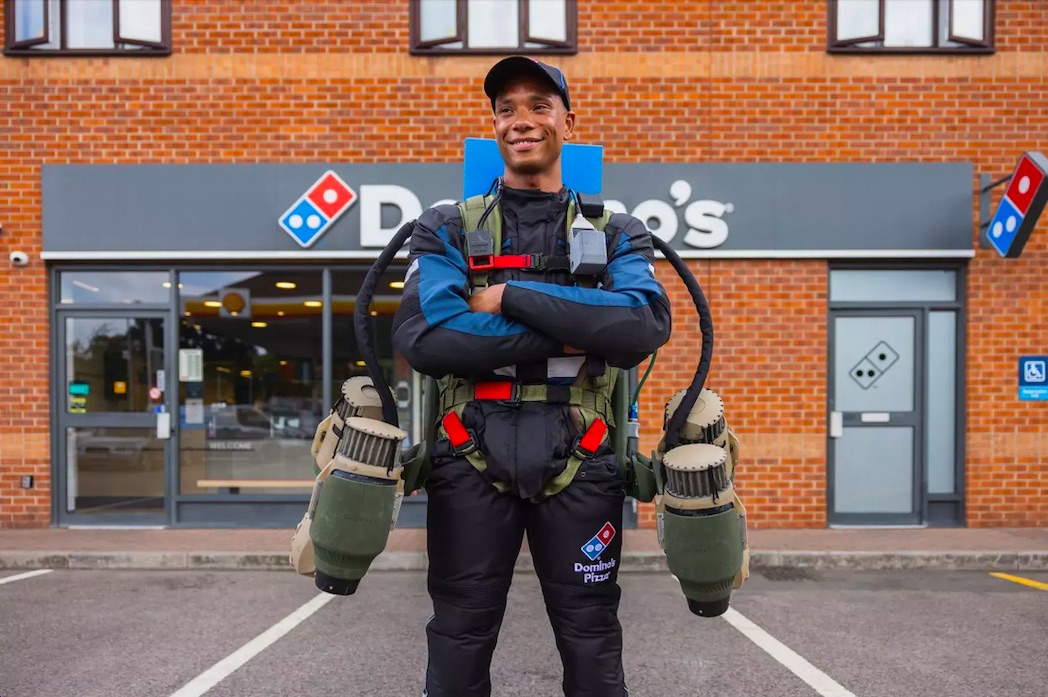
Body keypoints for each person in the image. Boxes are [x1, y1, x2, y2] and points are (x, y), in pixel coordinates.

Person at [391, 55, 672, 697]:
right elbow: (428, 339)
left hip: (584, 455)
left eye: (539, 106)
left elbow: (644, 325)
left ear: (567, 121)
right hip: (468, 455)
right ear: (494, 125)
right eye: (507, 109)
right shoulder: (446, 227)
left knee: (591, 633)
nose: (522, 120)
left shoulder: (617, 229)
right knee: (459, 632)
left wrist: (510, 297)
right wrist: (583, 329)